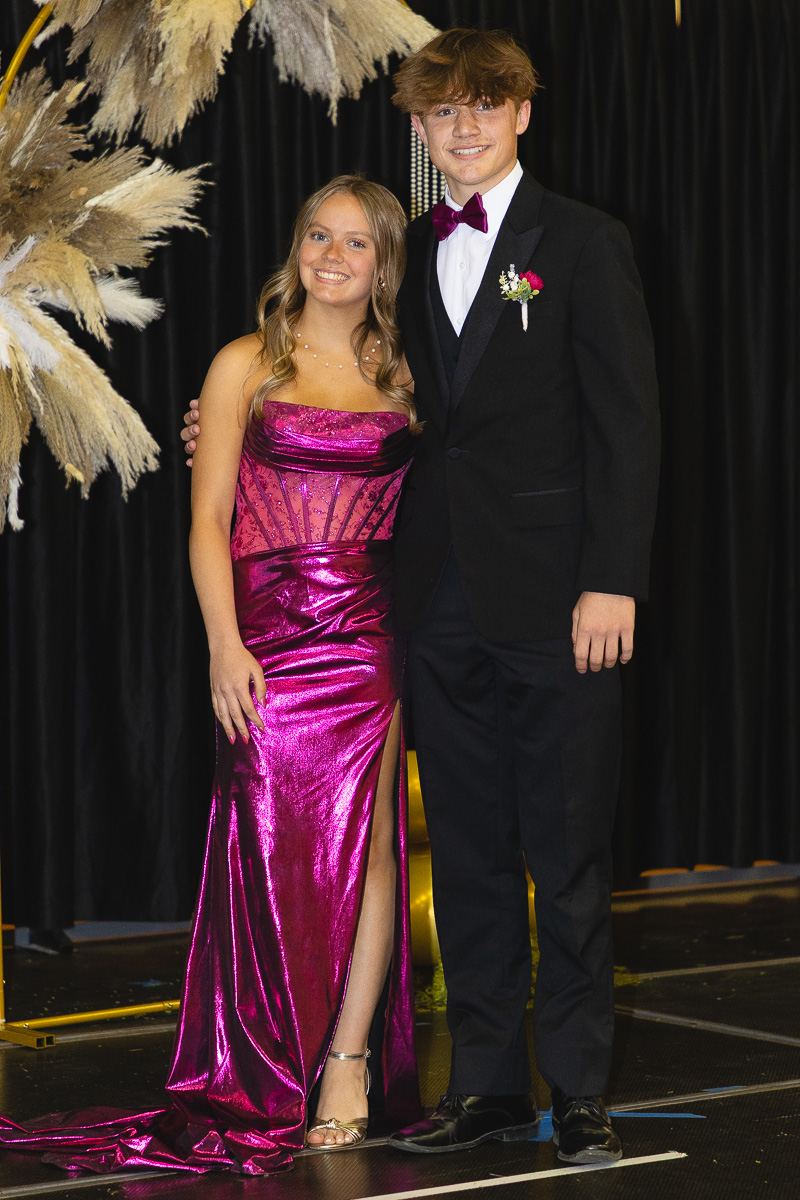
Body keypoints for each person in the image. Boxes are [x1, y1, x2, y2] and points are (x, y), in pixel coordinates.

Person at [184, 28, 660, 1167]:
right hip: (429, 608)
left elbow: (629, 424)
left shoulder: (582, 243)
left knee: (566, 852)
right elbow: (346, 404)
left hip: (560, 605)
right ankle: (486, 1086)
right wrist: (220, 425)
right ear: (419, 128)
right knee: (472, 852)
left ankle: (576, 1090)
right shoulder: (399, 282)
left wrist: (612, 580)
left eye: (485, 106)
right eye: (443, 111)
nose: (464, 127)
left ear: (521, 115)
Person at [0, 176, 421, 1175]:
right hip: (264, 640)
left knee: (372, 852)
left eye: (355, 242)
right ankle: (261, 1065)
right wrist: (223, 645)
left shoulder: (408, 375)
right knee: (263, 851)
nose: (330, 255)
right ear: (295, 245)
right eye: (317, 234)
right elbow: (207, 520)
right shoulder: (244, 363)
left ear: (383, 264)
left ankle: (348, 1061)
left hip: (369, 637)